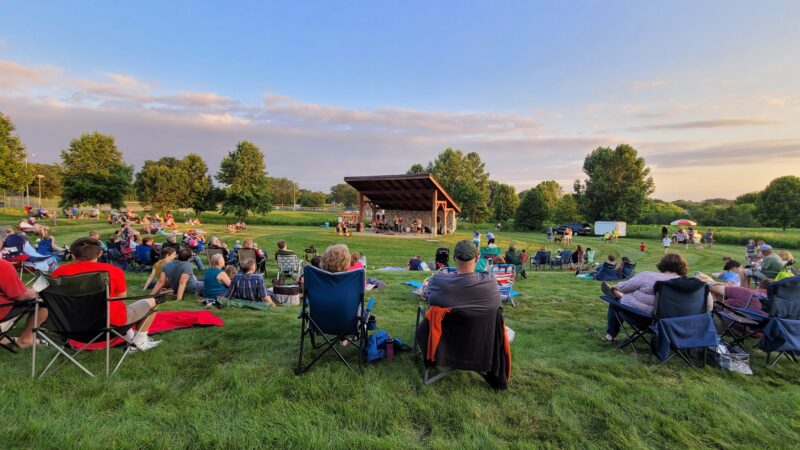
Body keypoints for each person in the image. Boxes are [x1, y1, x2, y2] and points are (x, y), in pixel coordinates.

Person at [53, 237, 160, 350]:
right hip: (108, 325)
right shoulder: (113, 271)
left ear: (73, 255)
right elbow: (121, 299)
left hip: (69, 325)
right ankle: (140, 341)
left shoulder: (59, 272)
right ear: (100, 254)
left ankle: (132, 337)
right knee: (154, 300)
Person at [602, 253, 701, 342]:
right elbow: (708, 306)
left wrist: (618, 289)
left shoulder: (648, 276)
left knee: (615, 302)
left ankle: (611, 335)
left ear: (662, 264)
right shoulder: (692, 285)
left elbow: (622, 287)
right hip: (680, 324)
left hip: (649, 321)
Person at [426, 240, 500, 312]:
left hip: (449, 324)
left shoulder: (438, 282)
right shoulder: (491, 282)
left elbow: (430, 301)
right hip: (483, 324)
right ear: (477, 259)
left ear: (454, 258)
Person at [0, 258, 47, 348]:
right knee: (45, 301)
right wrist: (37, 291)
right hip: (2, 310)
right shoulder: (3, 265)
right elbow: (20, 296)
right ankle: (26, 339)